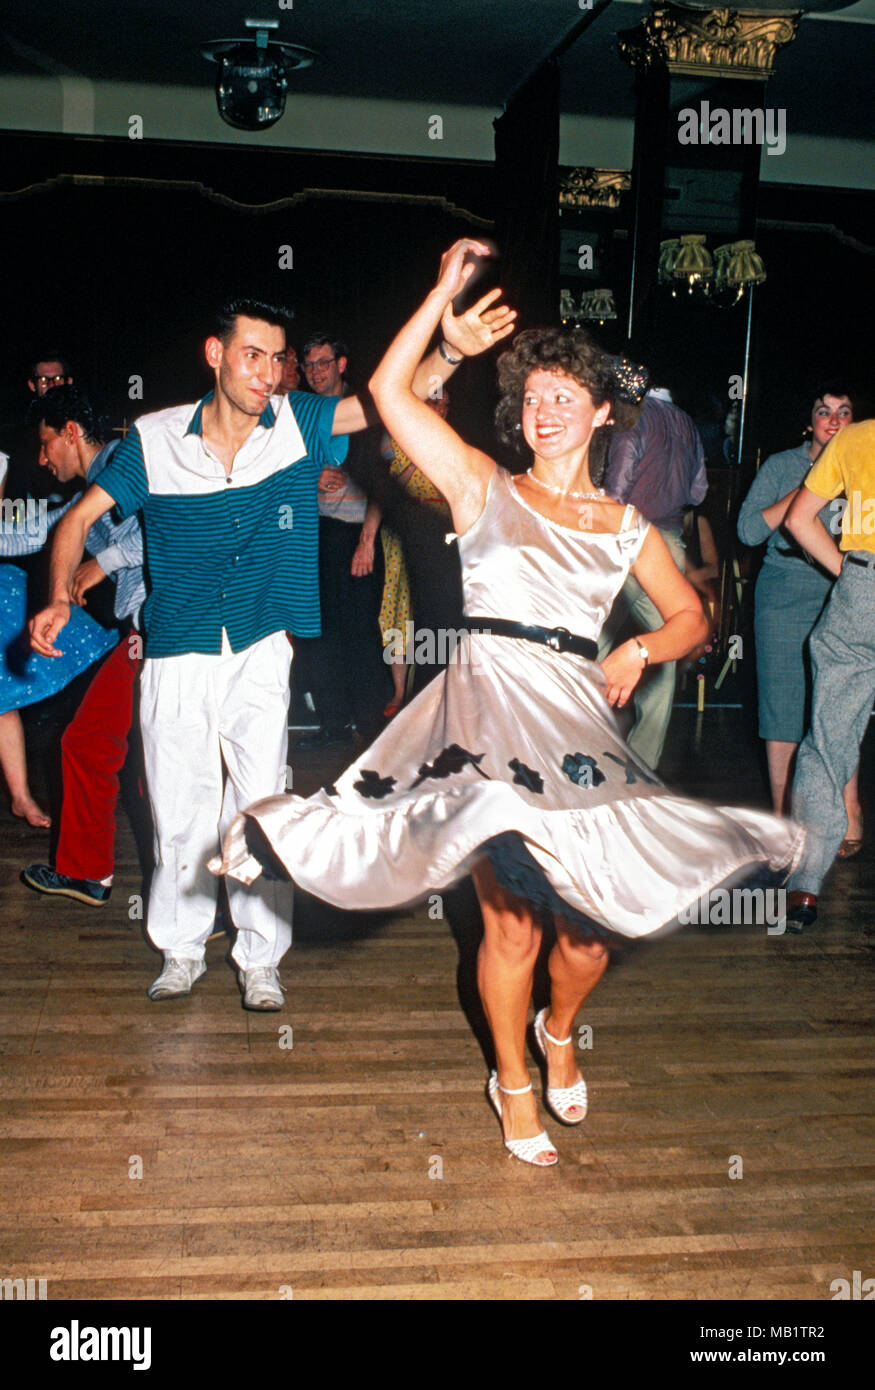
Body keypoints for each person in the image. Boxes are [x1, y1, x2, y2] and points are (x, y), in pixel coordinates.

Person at [213, 241, 802, 1165]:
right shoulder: (480, 484)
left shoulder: (622, 525)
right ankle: (513, 1081)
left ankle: (559, 1029)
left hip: (573, 721)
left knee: (590, 938)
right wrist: (440, 297)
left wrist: (643, 645)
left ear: (602, 413)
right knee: (511, 922)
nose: (545, 411)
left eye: (565, 397)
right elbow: (391, 392)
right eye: (532, 397)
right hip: (484, 713)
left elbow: (692, 614)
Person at [29, 291, 509, 1010]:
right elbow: (80, 519)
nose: (265, 373)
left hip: (259, 644)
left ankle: (260, 961)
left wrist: (446, 350)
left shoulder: (295, 422)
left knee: (258, 806)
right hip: (176, 650)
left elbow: (387, 399)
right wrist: (63, 591)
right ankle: (182, 949)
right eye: (250, 356)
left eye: (275, 359)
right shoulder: (154, 438)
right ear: (214, 354)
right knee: (178, 807)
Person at [20, 384, 146, 907]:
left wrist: (104, 562)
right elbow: (36, 533)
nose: (41, 456)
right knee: (92, 743)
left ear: (72, 434)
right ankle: (87, 872)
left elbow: (171, 526)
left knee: (108, 747)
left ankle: (212, 895)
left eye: (47, 442)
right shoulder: (85, 499)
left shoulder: (126, 460)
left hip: (168, 629)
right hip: (143, 632)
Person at [737, 384, 859, 834]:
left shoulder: (862, 468)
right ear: (810, 420)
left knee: (842, 706)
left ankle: (845, 813)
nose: (833, 420)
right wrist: (808, 488)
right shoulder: (781, 466)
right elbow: (748, 531)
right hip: (785, 590)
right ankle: (782, 823)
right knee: (783, 706)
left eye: (844, 412)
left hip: (843, 593)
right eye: (824, 411)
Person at [782, 415, 875, 929]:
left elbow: (799, 521)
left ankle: (804, 891)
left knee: (828, 741)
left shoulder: (855, 438)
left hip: (863, 586)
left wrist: (853, 577)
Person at [598, 386, 708, 770]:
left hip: (628, 538)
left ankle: (575, 735)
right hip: (671, 540)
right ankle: (643, 762)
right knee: (665, 648)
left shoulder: (636, 417)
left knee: (591, 639)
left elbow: (616, 488)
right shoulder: (688, 425)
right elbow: (699, 491)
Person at [296, 335, 390, 749]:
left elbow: (385, 483)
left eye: (324, 363)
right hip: (313, 536)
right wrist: (307, 478)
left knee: (360, 635)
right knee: (317, 636)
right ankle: (333, 726)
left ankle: (374, 732)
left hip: (357, 535)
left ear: (342, 364)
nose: (316, 372)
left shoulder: (366, 412)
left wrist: (367, 540)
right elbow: (274, 476)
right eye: (309, 364)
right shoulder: (298, 414)